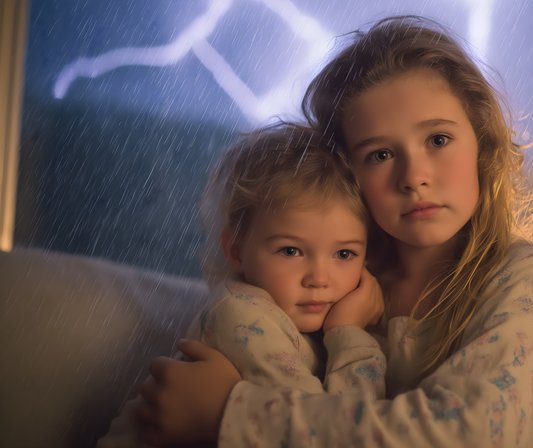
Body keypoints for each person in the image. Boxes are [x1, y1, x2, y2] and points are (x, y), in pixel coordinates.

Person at [137, 16, 533, 447]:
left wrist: (228, 413)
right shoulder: (329, 280)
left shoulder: (527, 276)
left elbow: (472, 434)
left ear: (482, 144)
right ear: (348, 176)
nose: (414, 176)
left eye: (438, 140)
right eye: (380, 154)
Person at [98, 122, 386, 447]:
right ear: (236, 250)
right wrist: (350, 332)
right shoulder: (245, 317)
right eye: (290, 251)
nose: (319, 278)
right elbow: (329, 432)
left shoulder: (296, 320)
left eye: (344, 254)